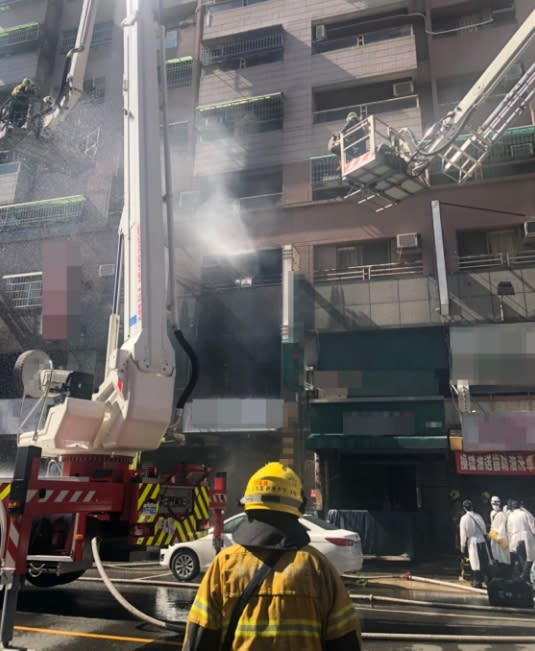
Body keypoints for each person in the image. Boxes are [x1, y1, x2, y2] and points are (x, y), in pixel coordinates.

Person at [182, 461, 363, 650]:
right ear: (298, 509)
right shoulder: (317, 566)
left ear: (248, 506)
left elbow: (199, 637)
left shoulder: (224, 564)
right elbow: (345, 639)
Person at [459, 499, 490, 588]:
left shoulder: (464, 519)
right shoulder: (478, 516)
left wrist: (462, 547)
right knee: (483, 561)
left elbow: (463, 534)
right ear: (472, 506)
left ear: (464, 508)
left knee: (475, 562)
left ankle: (477, 581)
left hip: (472, 541)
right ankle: (486, 580)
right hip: (482, 541)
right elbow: (484, 529)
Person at [507, 499, 535, 581]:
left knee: (521, 559)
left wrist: (510, 544)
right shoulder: (525, 514)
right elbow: (533, 526)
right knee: (530, 558)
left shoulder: (510, 516)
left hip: (516, 539)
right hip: (527, 538)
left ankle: (525, 578)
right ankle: (525, 576)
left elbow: (509, 531)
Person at [488, 495, 511, 578]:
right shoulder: (492, 513)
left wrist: (494, 535)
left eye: (496, 502)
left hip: (501, 538)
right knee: (497, 556)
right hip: (495, 538)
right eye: (493, 502)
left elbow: (501, 529)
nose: (495, 504)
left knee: (504, 557)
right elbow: (493, 526)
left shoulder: (502, 514)